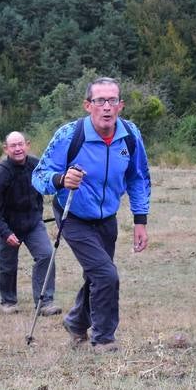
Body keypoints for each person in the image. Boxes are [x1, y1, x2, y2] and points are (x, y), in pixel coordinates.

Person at [32, 77, 151, 353]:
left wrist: (140, 220)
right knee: (106, 275)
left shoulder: (130, 135)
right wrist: (61, 179)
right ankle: (104, 339)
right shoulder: (69, 135)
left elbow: (139, 177)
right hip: (72, 214)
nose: (107, 107)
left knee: (97, 275)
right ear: (88, 105)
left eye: (113, 101)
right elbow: (39, 176)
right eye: (100, 101)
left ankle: (75, 322)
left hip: (107, 217)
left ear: (120, 105)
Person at [0, 131, 62, 316]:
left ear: (27, 144)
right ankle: (9, 302)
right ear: (6, 149)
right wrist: (4, 232)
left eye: (20, 144)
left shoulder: (37, 165)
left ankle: (45, 302)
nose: (18, 149)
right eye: (13, 146)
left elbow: (50, 185)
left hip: (34, 223)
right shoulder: (0, 174)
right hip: (8, 226)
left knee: (46, 255)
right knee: (8, 265)